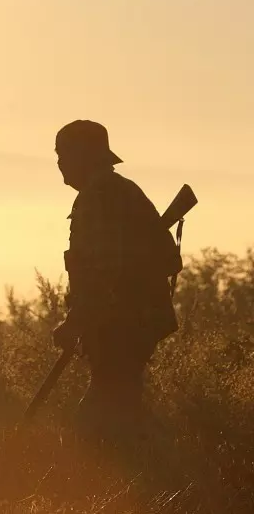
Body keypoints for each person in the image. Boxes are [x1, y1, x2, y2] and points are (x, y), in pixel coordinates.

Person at [52, 120, 182, 446]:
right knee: (121, 405)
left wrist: (75, 321)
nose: (60, 163)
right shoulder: (119, 191)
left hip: (123, 324)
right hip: (129, 321)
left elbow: (103, 273)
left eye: (63, 154)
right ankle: (168, 468)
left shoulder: (100, 198)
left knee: (100, 417)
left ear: (83, 156)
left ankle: (137, 477)